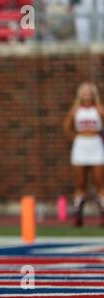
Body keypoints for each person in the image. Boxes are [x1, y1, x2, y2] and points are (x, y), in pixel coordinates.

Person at [63, 82, 104, 227]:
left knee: (100, 182)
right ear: (80, 94)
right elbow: (67, 127)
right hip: (81, 145)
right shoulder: (75, 110)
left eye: (89, 92)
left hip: (96, 145)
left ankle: (102, 213)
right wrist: (77, 138)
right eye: (84, 92)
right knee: (80, 183)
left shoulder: (99, 109)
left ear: (93, 94)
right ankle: (78, 214)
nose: (86, 94)